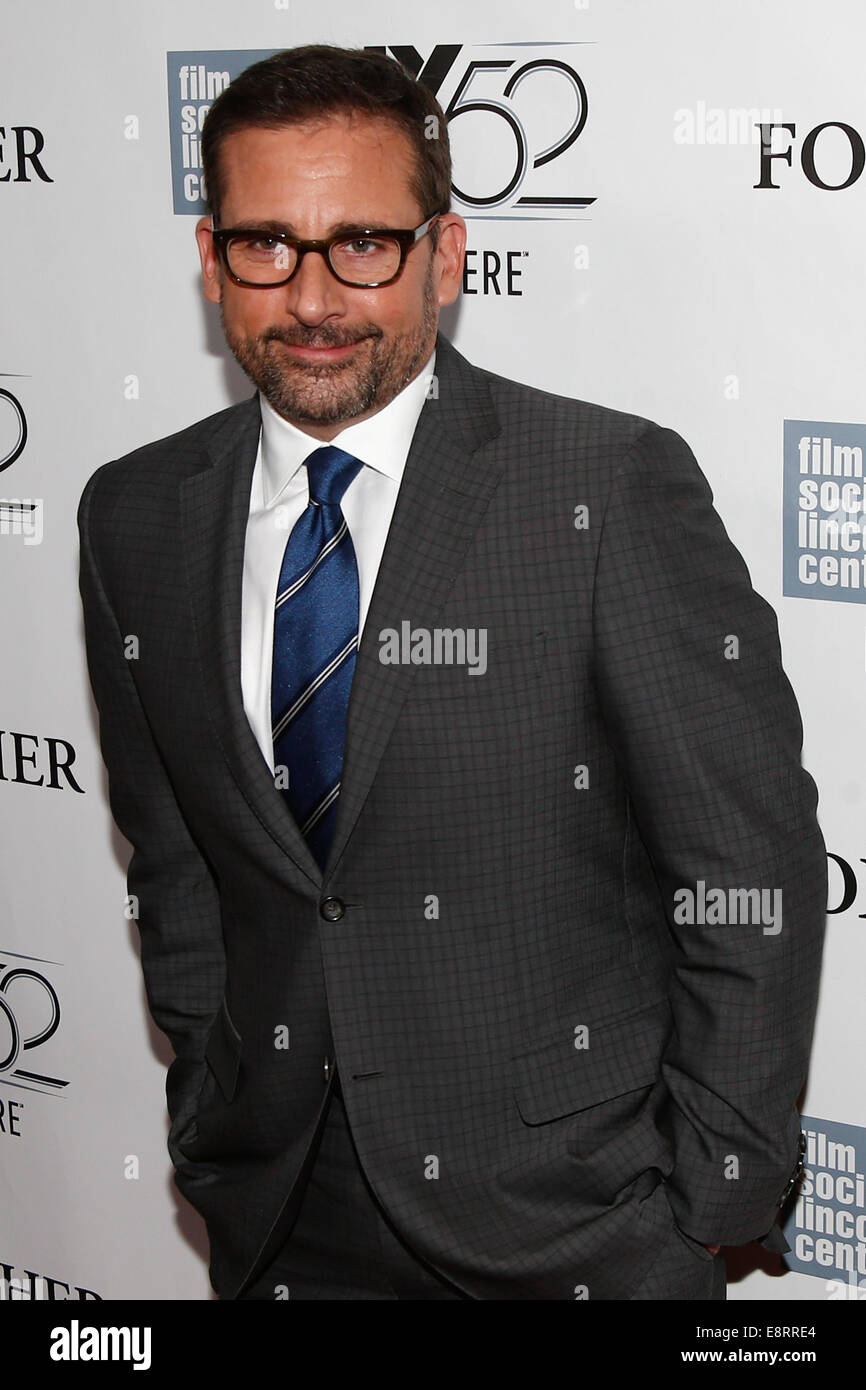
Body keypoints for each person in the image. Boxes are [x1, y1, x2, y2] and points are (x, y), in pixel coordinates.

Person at [77, 44, 827, 1301]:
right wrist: (217, 1122)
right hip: (277, 1218)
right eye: (268, 245)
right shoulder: (135, 513)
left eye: (362, 243)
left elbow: (743, 868)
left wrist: (706, 1206)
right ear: (211, 259)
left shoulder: (599, 487)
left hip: (573, 1229)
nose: (313, 297)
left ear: (446, 254)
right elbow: (176, 864)